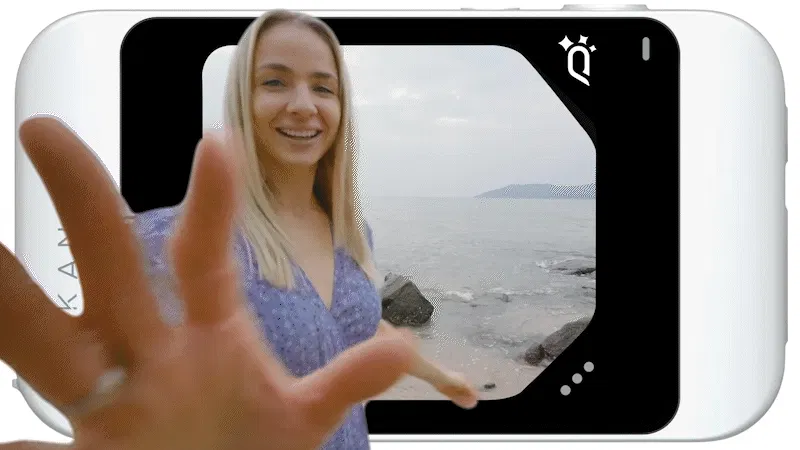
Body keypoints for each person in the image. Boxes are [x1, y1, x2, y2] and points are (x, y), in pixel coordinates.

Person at [0, 9, 477, 450]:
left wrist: (440, 376)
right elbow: (138, 379)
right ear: (242, 101)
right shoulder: (181, 243)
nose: (303, 104)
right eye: (275, 82)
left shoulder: (352, 234)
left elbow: (357, 326)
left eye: (323, 87)